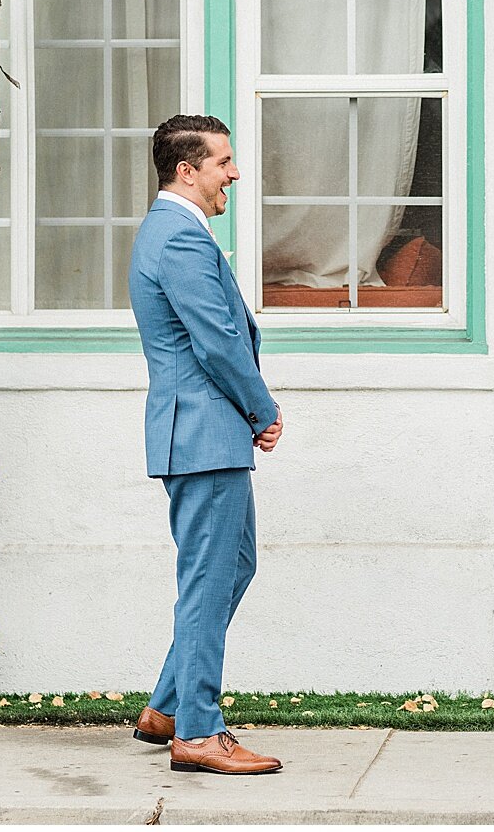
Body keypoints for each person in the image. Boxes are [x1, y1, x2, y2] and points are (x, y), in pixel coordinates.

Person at [127, 114, 285, 776]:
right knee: (206, 581)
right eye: (224, 162)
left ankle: (166, 706)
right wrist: (262, 407)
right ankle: (197, 731)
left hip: (200, 435)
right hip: (205, 435)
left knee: (235, 565)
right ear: (186, 171)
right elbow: (217, 338)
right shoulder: (180, 239)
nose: (236, 173)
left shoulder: (175, 232)